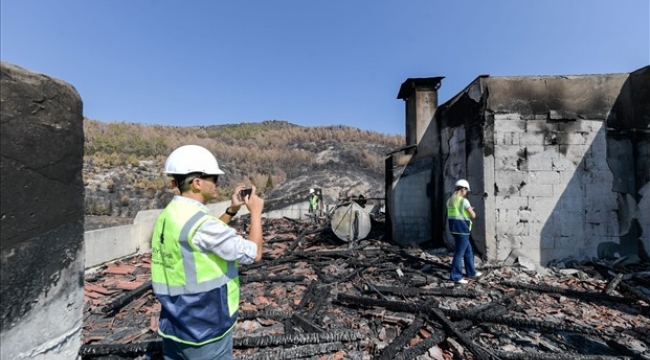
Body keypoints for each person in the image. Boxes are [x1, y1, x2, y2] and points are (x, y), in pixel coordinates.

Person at [150, 145, 264, 360]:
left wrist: (232, 210)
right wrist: (256, 213)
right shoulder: (201, 225)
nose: (217, 184)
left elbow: (201, 237)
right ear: (197, 183)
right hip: (205, 329)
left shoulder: (169, 215)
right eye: (214, 178)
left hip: (175, 324)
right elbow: (253, 253)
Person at [447, 179, 482, 284]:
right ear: (463, 189)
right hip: (462, 230)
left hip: (454, 229)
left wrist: (468, 209)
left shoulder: (450, 201)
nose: (466, 192)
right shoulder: (464, 201)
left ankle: (471, 273)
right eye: (466, 190)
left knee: (468, 251)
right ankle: (455, 276)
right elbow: (473, 215)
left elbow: (457, 213)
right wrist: (470, 209)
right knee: (459, 253)